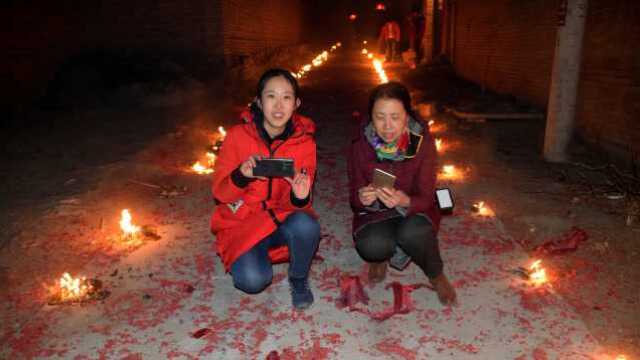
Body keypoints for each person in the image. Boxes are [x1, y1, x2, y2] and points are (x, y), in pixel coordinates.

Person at [211, 68, 320, 310]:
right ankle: (253, 254)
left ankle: (299, 279)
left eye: (286, 97)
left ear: (296, 103)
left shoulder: (304, 144)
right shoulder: (237, 137)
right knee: (253, 280)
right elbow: (220, 193)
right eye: (271, 96)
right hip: (244, 222)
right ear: (259, 102)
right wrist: (241, 175)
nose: (279, 106)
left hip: (280, 219)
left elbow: (299, 205)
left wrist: (300, 197)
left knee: (306, 224)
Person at [347, 82, 457, 306]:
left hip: (414, 209)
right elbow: (354, 196)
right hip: (377, 214)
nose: (387, 126)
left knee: (414, 233)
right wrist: (363, 198)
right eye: (380, 117)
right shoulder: (361, 145)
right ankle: (381, 258)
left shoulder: (422, 144)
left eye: (395, 117)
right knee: (372, 245)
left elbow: (427, 197)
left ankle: (436, 274)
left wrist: (405, 200)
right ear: (371, 117)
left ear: (407, 117)